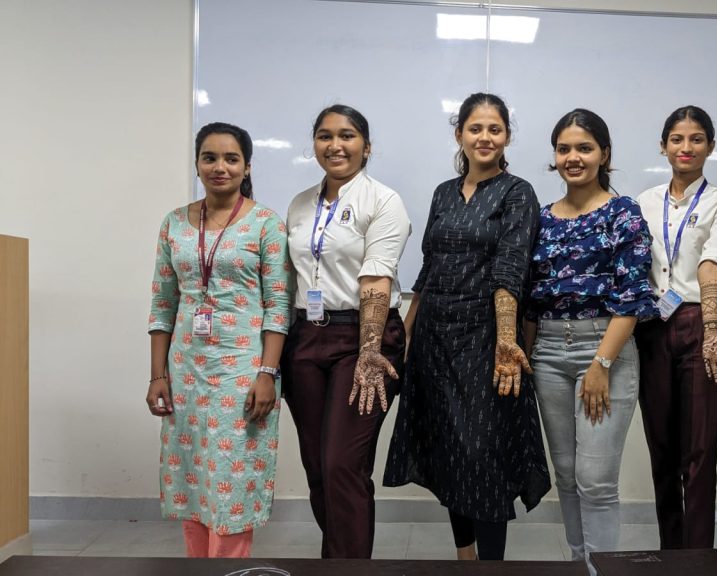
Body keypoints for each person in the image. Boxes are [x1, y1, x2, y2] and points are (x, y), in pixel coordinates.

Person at [384, 93, 551, 561]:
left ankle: (491, 567)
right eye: (475, 128)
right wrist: (407, 335)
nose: (485, 137)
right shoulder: (442, 192)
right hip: (435, 337)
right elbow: (428, 269)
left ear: (507, 138)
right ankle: (465, 560)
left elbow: (511, 268)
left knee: (484, 456)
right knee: (449, 451)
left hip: (486, 339)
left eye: (494, 129)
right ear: (459, 133)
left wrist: (504, 342)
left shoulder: (518, 192)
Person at [146, 122, 292, 558]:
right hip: (186, 369)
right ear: (196, 163)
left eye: (231, 159)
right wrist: (158, 375)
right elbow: (162, 303)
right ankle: (197, 569)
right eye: (209, 157)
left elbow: (278, 307)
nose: (220, 167)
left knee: (232, 479)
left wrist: (267, 372)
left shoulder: (266, 224)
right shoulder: (174, 222)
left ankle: (229, 570)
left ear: (247, 166)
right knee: (193, 479)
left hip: (244, 370)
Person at [525, 109, 657, 572]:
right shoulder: (541, 218)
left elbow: (633, 295)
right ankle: (582, 565)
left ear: (604, 154)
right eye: (564, 149)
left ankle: (603, 570)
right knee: (566, 476)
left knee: (596, 480)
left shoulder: (623, 212)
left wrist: (601, 363)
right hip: (548, 355)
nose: (573, 157)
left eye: (584, 148)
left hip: (606, 350)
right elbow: (531, 298)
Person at [281, 105, 411, 558]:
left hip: (363, 338)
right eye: (324, 135)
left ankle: (348, 567)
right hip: (305, 339)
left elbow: (377, 280)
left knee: (343, 464)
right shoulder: (299, 204)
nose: (335, 145)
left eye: (348, 135)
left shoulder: (383, 201)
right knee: (317, 465)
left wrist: (370, 351)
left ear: (366, 146)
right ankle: (337, 559)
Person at [633, 106, 717, 549]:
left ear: (711, 148)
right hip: (651, 327)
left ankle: (698, 558)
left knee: (699, 452)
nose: (686, 147)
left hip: (698, 323)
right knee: (661, 449)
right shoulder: (642, 201)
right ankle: (670, 551)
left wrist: (713, 330)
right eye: (677, 139)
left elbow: (712, 261)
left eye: (696, 139)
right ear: (663, 146)